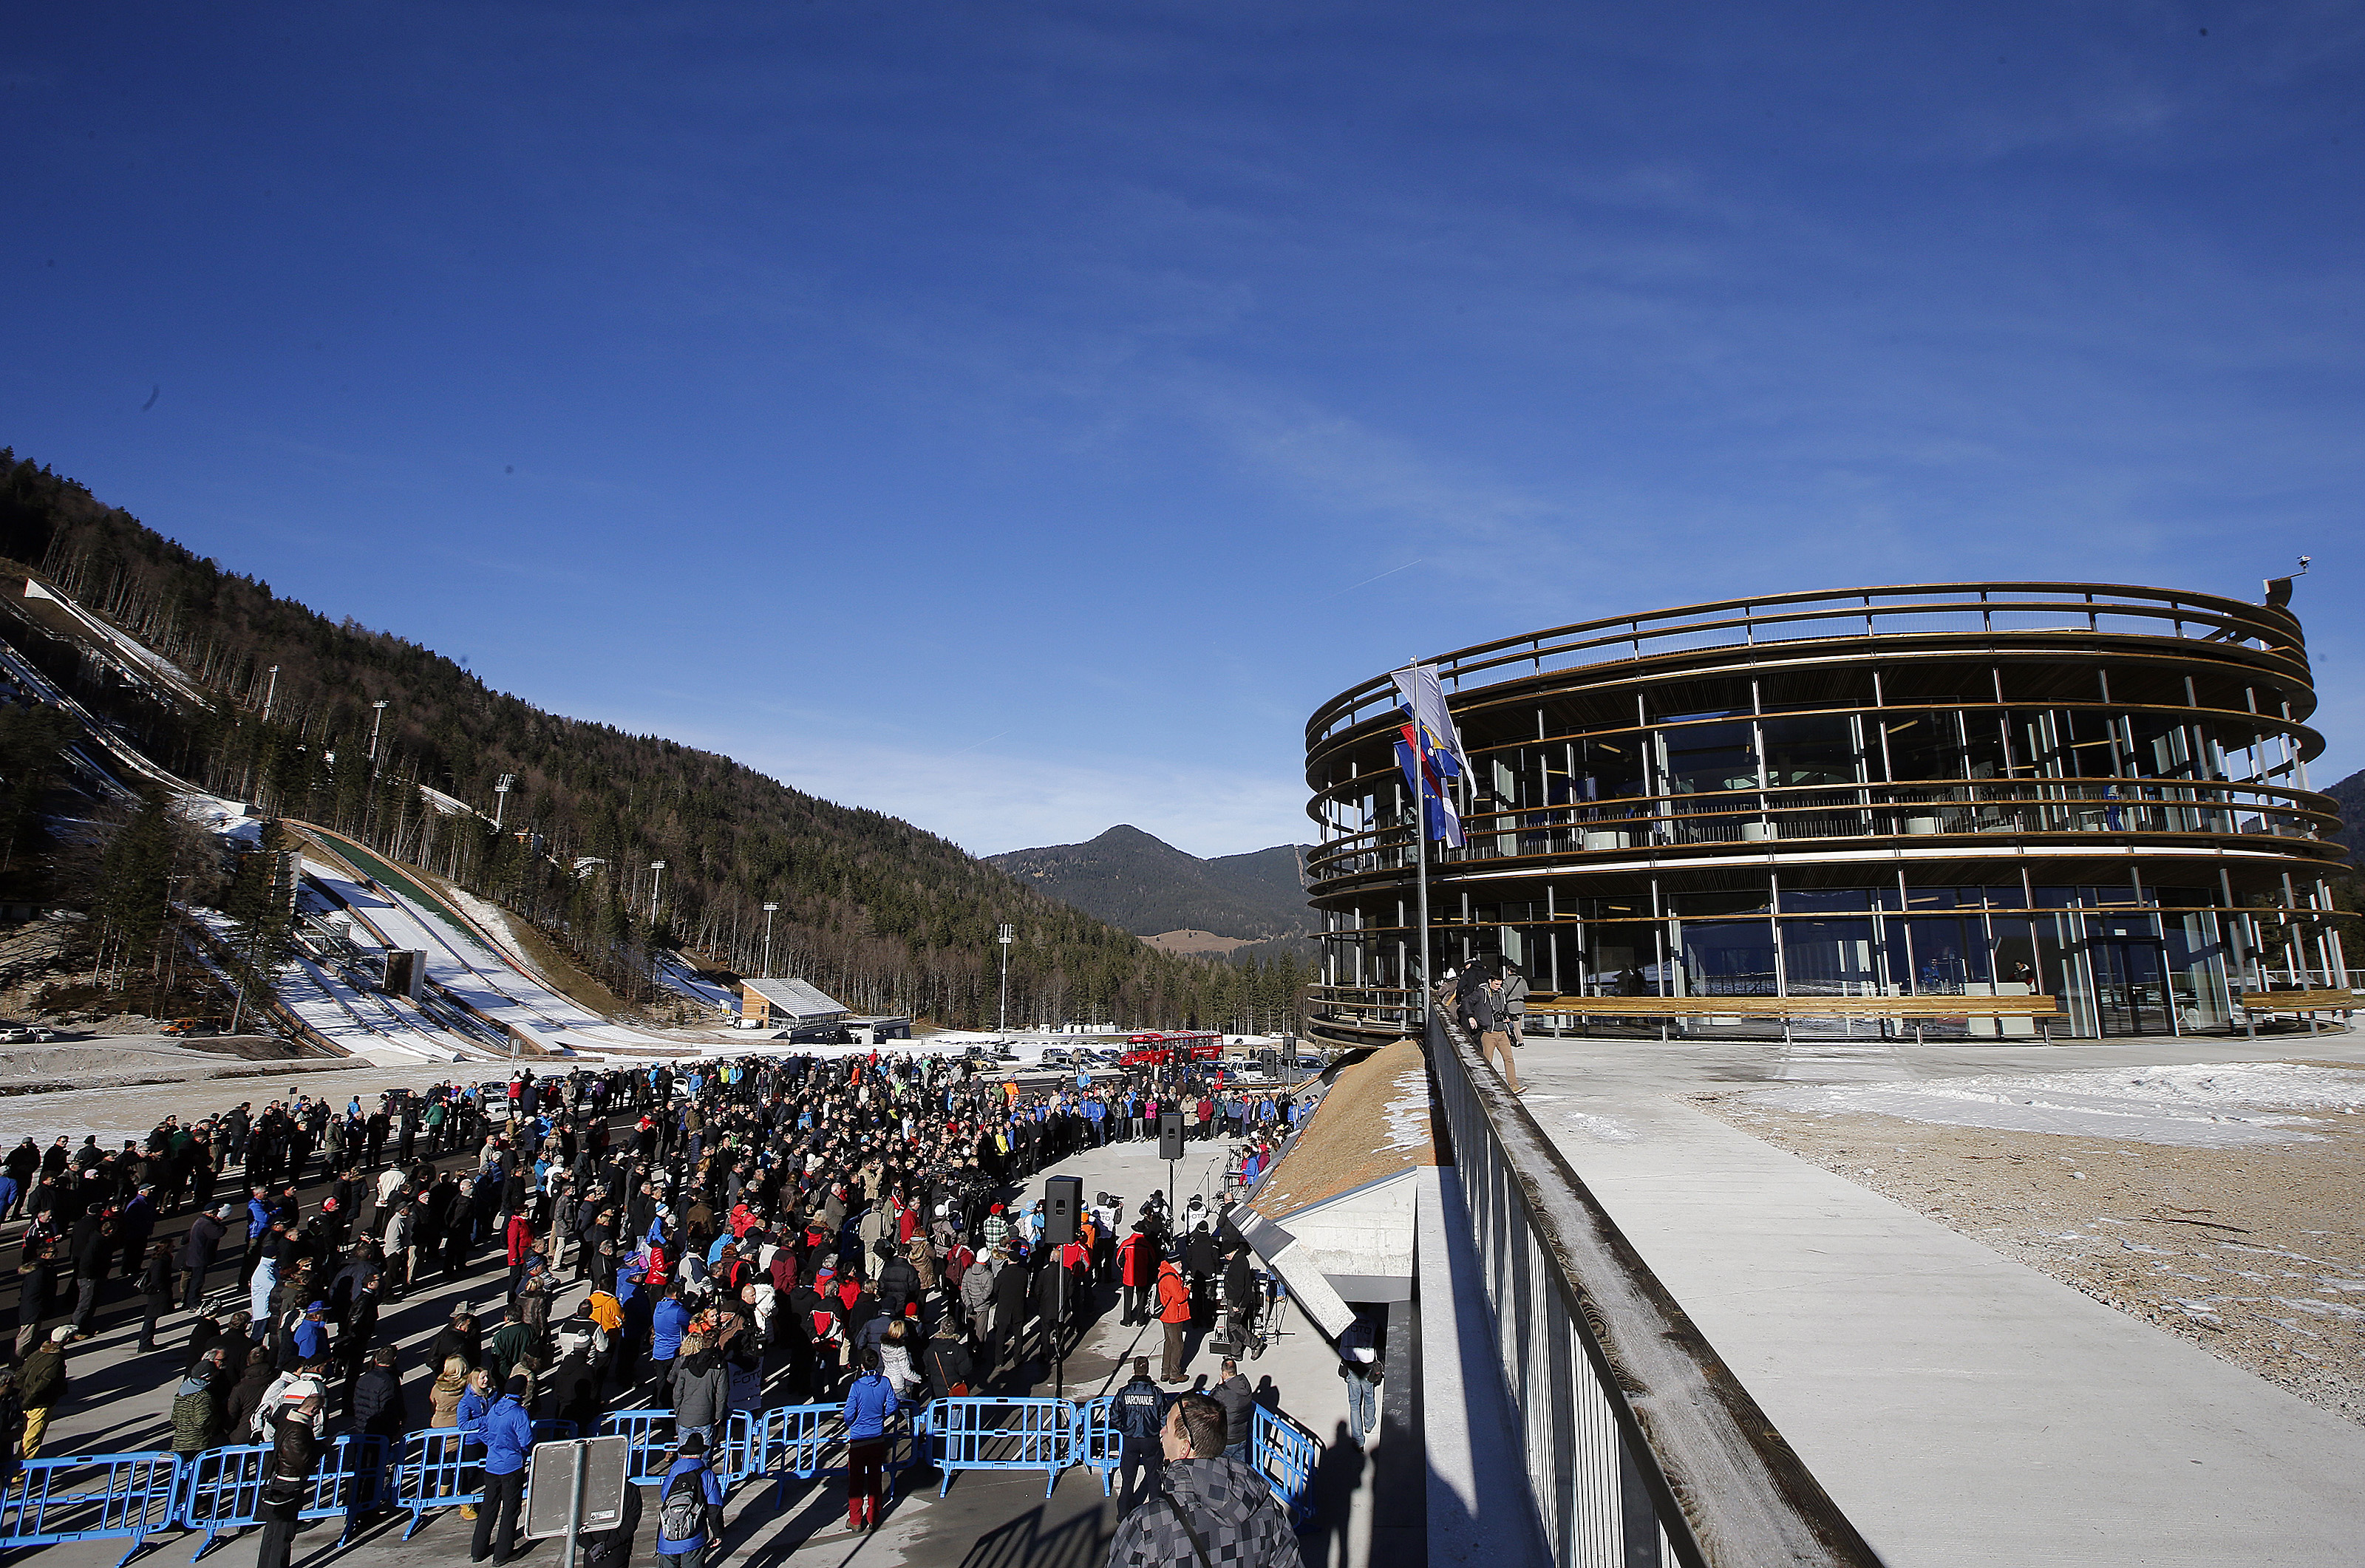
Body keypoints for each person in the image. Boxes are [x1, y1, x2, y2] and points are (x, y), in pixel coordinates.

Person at [1106, 1392, 1301, 1568]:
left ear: (1185, 1448)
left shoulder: (1147, 1525)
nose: (1162, 1432)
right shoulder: (1268, 1509)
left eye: (1167, 1426)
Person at [460, 1372, 534, 1564]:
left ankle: (478, 1550)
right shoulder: (519, 1413)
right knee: (510, 1509)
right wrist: (518, 1451)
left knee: (488, 1508)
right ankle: (502, 1553)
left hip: (492, 1465)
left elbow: (483, 1429)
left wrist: (493, 1444)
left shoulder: (495, 1408)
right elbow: (526, 1441)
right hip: (511, 1466)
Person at [253, 1388, 323, 1568]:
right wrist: (320, 1449)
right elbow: (300, 1460)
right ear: (314, 1411)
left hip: (281, 1480)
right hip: (288, 1484)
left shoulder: (288, 1423)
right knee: (282, 1531)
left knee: (273, 1530)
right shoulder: (298, 1430)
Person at [840, 1347, 899, 1533]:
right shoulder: (885, 1383)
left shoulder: (857, 1386)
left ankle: (856, 1519)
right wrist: (880, 1416)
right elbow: (892, 1405)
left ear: (862, 1365)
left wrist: (853, 1423)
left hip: (858, 1439)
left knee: (856, 1482)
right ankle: (873, 1516)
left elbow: (849, 1413)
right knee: (875, 1480)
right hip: (877, 1438)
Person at [654, 1431, 726, 1567]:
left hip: (667, 1537)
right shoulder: (707, 1475)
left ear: (683, 1454)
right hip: (693, 1536)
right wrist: (718, 1533)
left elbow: (664, 1496)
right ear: (701, 1454)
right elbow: (714, 1508)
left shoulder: (673, 1472)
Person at [1112, 1357, 1168, 1507]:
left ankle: (1123, 1511)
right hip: (1150, 1438)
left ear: (1134, 1370)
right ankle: (1156, 1508)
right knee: (1154, 1476)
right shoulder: (1156, 1393)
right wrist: (1161, 1432)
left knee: (1128, 1478)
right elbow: (1164, 1416)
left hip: (1130, 1439)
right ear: (1148, 1370)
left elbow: (1114, 1415)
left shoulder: (1124, 1392)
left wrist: (1124, 1428)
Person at [1469, 973, 1525, 1095]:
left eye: (1500, 984)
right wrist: (1471, 1017)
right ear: (1490, 981)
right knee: (1487, 1060)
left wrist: (1507, 1016)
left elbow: (1503, 1008)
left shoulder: (1501, 993)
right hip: (1489, 1032)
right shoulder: (1481, 992)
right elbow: (1466, 1002)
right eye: (1496, 984)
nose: (1498, 986)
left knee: (1509, 1059)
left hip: (1502, 1031)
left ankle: (1514, 1085)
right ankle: (1484, 1086)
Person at [18, 1326, 69, 1459]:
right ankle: (19, 1476)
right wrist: (27, 1403)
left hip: (27, 1399)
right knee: (31, 1440)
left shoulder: (38, 1353)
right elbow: (43, 1384)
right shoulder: (56, 1360)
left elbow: (21, 1375)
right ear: (67, 1340)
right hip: (39, 1404)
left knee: (26, 1436)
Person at [1338, 1316, 1381, 1447]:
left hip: (1351, 1366)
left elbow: (1336, 1340)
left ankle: (1359, 1441)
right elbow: (1380, 1343)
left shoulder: (1345, 1320)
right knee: (1369, 1397)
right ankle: (1369, 1424)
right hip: (1368, 1365)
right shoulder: (1373, 1322)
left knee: (1354, 1404)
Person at [1211, 1357, 1255, 1462]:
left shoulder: (1223, 1391)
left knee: (1221, 1469)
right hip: (1242, 1436)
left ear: (1224, 1373)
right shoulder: (1245, 1385)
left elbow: (1209, 1402)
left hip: (1227, 1439)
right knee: (1240, 1470)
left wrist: (1218, 1386)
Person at [1155, 1257, 1192, 1383]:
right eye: (1179, 1263)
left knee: (1169, 1342)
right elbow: (1180, 1297)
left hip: (1166, 1315)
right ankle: (1175, 1374)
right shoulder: (1171, 1278)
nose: (1181, 1264)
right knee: (1178, 1344)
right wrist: (1187, 1288)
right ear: (1173, 1264)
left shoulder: (1164, 1272)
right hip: (1173, 1315)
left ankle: (1165, 1371)